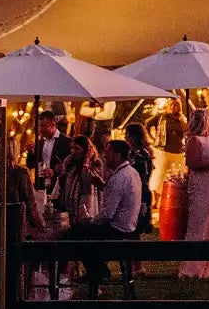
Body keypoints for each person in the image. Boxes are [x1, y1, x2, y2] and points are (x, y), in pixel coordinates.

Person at [67, 139, 141, 294]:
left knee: (76, 232)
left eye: (108, 152)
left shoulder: (119, 178)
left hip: (117, 231)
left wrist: (91, 221)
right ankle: (96, 269)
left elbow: (107, 214)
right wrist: (102, 185)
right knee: (82, 230)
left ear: (117, 155)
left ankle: (96, 271)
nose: (105, 156)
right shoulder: (132, 173)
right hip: (129, 229)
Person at [179, 108, 209, 278]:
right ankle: (193, 266)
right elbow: (192, 163)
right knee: (200, 221)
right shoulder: (194, 140)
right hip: (202, 184)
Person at [31, 110, 70, 190]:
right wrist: (31, 152)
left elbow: (70, 165)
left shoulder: (67, 141)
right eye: (39, 127)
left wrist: (55, 172)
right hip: (41, 186)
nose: (40, 129)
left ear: (53, 124)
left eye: (43, 126)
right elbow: (31, 164)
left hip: (59, 187)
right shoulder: (40, 142)